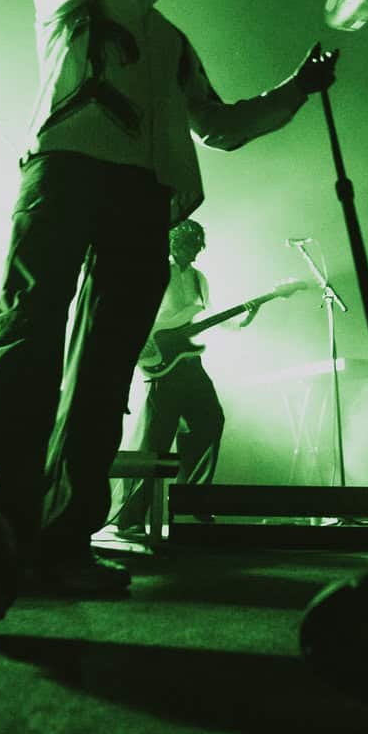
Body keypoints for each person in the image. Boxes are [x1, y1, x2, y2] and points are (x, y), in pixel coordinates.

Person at [0, 0, 338, 620]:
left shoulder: (170, 39)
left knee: (108, 369)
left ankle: (64, 541)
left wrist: (298, 89)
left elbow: (221, 126)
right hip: (66, 167)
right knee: (25, 332)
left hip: (146, 196)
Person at [112, 216, 257, 536]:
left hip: (190, 363)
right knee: (155, 439)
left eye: (199, 246)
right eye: (192, 245)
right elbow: (132, 309)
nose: (197, 252)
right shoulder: (154, 270)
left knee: (210, 420)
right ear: (176, 242)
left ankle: (192, 504)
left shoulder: (199, 278)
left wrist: (242, 321)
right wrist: (141, 345)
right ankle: (130, 517)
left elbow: (206, 315)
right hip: (160, 361)